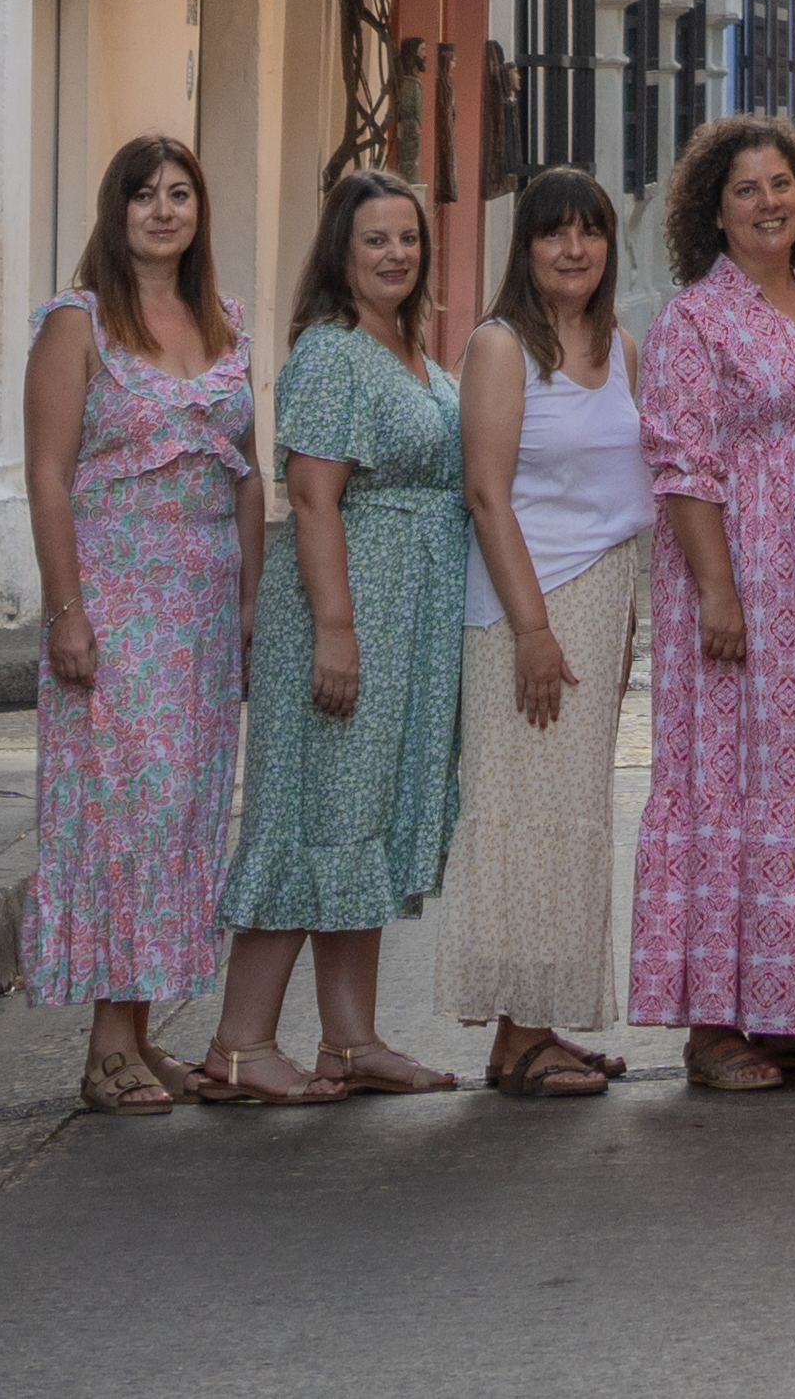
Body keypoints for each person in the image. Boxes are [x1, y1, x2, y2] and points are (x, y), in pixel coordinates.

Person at [204, 172, 468, 1103]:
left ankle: (350, 1041)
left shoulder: (411, 350)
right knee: (310, 818)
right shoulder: (331, 352)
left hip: (409, 621)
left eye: (408, 238)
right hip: (345, 612)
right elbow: (313, 499)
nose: (396, 254)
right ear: (341, 254)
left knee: (362, 822)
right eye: (375, 240)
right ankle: (239, 1044)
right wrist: (335, 630)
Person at [19, 133, 265, 1114]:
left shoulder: (226, 321)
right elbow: (47, 476)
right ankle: (105, 1048)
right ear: (114, 211)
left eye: (179, 194)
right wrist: (66, 611)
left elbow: (246, 470)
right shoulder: (75, 323)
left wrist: (249, 602)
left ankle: (140, 1028)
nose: (163, 211)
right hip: (116, 609)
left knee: (182, 819)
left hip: (202, 615)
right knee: (125, 816)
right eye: (144, 195)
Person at [630, 112, 795, 1090]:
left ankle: (791, 1006)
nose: (769, 203)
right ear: (713, 214)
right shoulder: (693, 320)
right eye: (746, 190)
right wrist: (718, 590)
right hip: (736, 579)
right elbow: (681, 463)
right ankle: (715, 1023)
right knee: (724, 780)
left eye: (781, 184)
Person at [440, 165, 653, 1098]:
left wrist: (626, 622)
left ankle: (535, 1027)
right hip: (526, 605)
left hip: (600, 601)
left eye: (589, 232)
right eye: (553, 233)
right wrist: (532, 629)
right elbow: (486, 496)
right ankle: (521, 1034)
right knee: (524, 816)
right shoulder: (500, 347)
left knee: (572, 821)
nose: (573, 250)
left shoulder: (620, 347)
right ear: (523, 248)